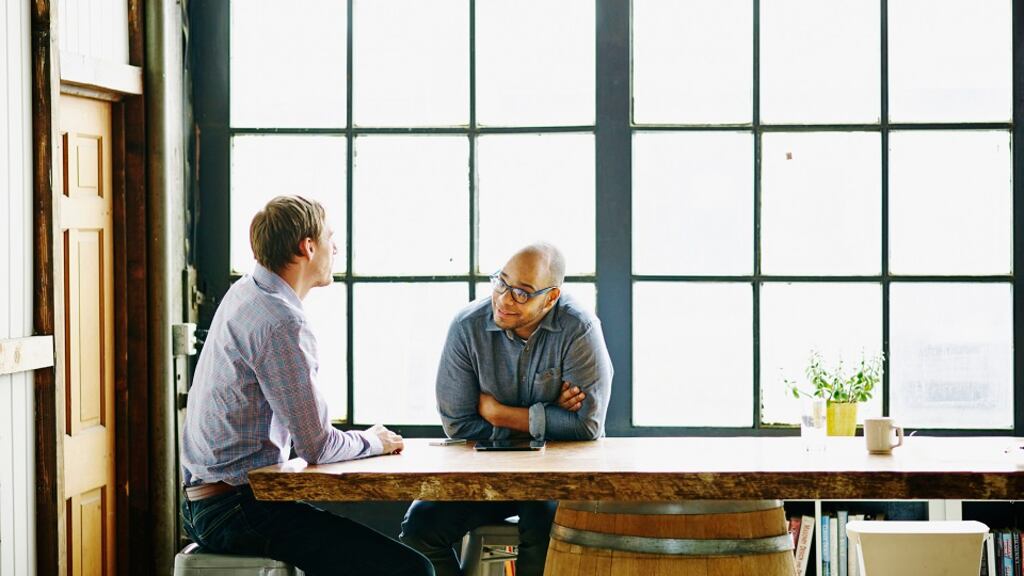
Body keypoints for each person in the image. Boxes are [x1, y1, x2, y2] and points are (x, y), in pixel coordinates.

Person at [180, 195, 434, 576]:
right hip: (238, 510)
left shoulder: (246, 292)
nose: (336, 248)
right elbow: (317, 445)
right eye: (331, 237)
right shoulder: (281, 321)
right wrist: (376, 441)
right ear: (308, 246)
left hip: (203, 503)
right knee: (413, 571)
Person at [400, 243, 613, 576]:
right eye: (501, 282)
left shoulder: (579, 329)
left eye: (522, 293)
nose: (503, 299)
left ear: (552, 297)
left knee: (547, 528)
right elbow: (458, 424)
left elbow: (587, 427)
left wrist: (499, 414)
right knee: (420, 527)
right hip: (484, 472)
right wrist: (545, 415)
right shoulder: (467, 326)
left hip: (553, 477)